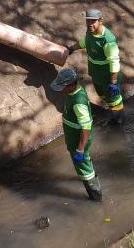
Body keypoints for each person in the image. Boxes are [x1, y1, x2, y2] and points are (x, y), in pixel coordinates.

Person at [51, 67, 102, 201]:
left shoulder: (78, 102)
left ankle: (95, 196)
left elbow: (86, 127)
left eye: (63, 86)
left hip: (79, 142)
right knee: (85, 164)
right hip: (74, 139)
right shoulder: (73, 93)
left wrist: (80, 149)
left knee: (84, 168)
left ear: (71, 85)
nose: (61, 90)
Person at [68, 8, 125, 125]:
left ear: (100, 21)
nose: (90, 24)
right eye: (88, 21)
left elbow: (114, 61)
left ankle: (118, 121)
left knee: (114, 99)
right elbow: (86, 41)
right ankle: (111, 113)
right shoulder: (90, 32)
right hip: (96, 74)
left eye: (92, 21)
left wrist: (113, 82)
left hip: (108, 76)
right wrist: (71, 49)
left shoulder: (107, 40)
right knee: (102, 95)